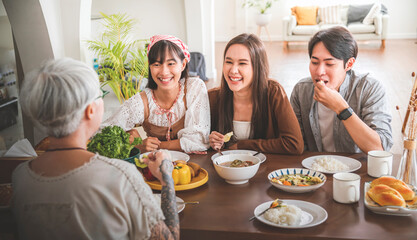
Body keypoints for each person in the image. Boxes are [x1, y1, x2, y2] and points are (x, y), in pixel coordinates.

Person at [12, 58, 179, 240]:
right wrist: (166, 178)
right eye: (100, 96)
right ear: (90, 110)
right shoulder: (121, 176)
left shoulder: (20, 177)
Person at [290, 26, 393, 153]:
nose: (319, 72)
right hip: (313, 169)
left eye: (329, 64)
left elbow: (380, 148)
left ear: (349, 64)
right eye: (315, 62)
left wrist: (341, 108)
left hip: (358, 170)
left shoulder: (369, 89)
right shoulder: (301, 91)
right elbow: (295, 145)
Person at [102, 35, 210, 153]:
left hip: (192, 167)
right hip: (154, 166)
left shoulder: (194, 88)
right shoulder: (141, 101)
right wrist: (136, 144)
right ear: (150, 66)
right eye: (157, 64)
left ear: (183, 64)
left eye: (171, 64)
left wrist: (158, 146)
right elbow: (102, 132)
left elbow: (199, 140)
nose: (164, 72)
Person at [208, 33, 304, 154]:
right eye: (229, 62)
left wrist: (242, 146)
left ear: (257, 67)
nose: (233, 70)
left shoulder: (274, 92)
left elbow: (294, 144)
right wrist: (211, 141)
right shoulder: (213, 98)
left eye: (242, 63)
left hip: (267, 169)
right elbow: (200, 143)